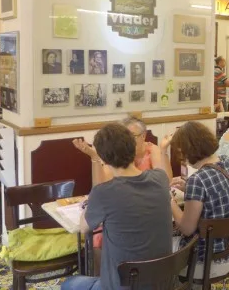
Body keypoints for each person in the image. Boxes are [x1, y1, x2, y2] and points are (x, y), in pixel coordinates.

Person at [61, 123, 173, 290]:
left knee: (69, 284)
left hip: (121, 285)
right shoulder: (160, 178)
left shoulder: (103, 193)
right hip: (162, 283)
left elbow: (84, 227)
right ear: (133, 147)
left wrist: (89, 203)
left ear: (104, 159)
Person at [167, 121, 229, 280]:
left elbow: (186, 229)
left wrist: (169, 201)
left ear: (188, 150)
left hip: (206, 262)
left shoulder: (198, 180)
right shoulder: (228, 162)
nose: (181, 158)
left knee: (157, 247)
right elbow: (216, 193)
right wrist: (188, 188)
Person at [73, 116, 173, 185]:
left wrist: (164, 150)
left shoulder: (152, 150)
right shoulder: (117, 153)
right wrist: (95, 157)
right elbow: (100, 186)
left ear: (143, 136)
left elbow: (166, 181)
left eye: (132, 136)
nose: (126, 141)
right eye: (123, 137)